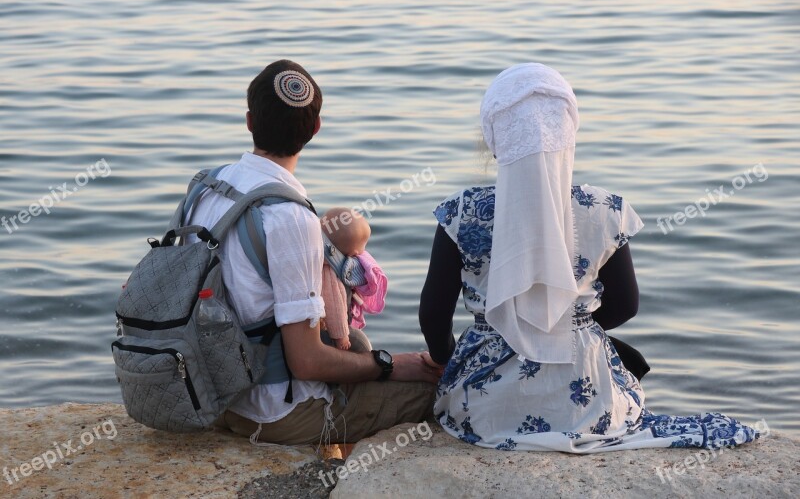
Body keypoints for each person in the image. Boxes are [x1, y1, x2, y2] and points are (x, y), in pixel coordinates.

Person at [418, 63, 761, 452]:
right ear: (567, 133)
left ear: (495, 136)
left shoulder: (461, 211)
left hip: (483, 409)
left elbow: (433, 314)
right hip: (586, 398)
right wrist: (569, 325)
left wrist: (447, 359)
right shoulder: (603, 208)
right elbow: (625, 306)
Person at [189, 60, 439, 446]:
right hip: (273, 412)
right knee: (442, 393)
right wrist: (392, 365)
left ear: (250, 121)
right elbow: (307, 363)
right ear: (316, 129)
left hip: (211, 394)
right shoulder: (289, 218)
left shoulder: (206, 185)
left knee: (355, 345)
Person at [319, 207, 388, 351]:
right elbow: (335, 308)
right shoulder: (330, 273)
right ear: (353, 253)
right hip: (327, 330)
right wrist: (341, 336)